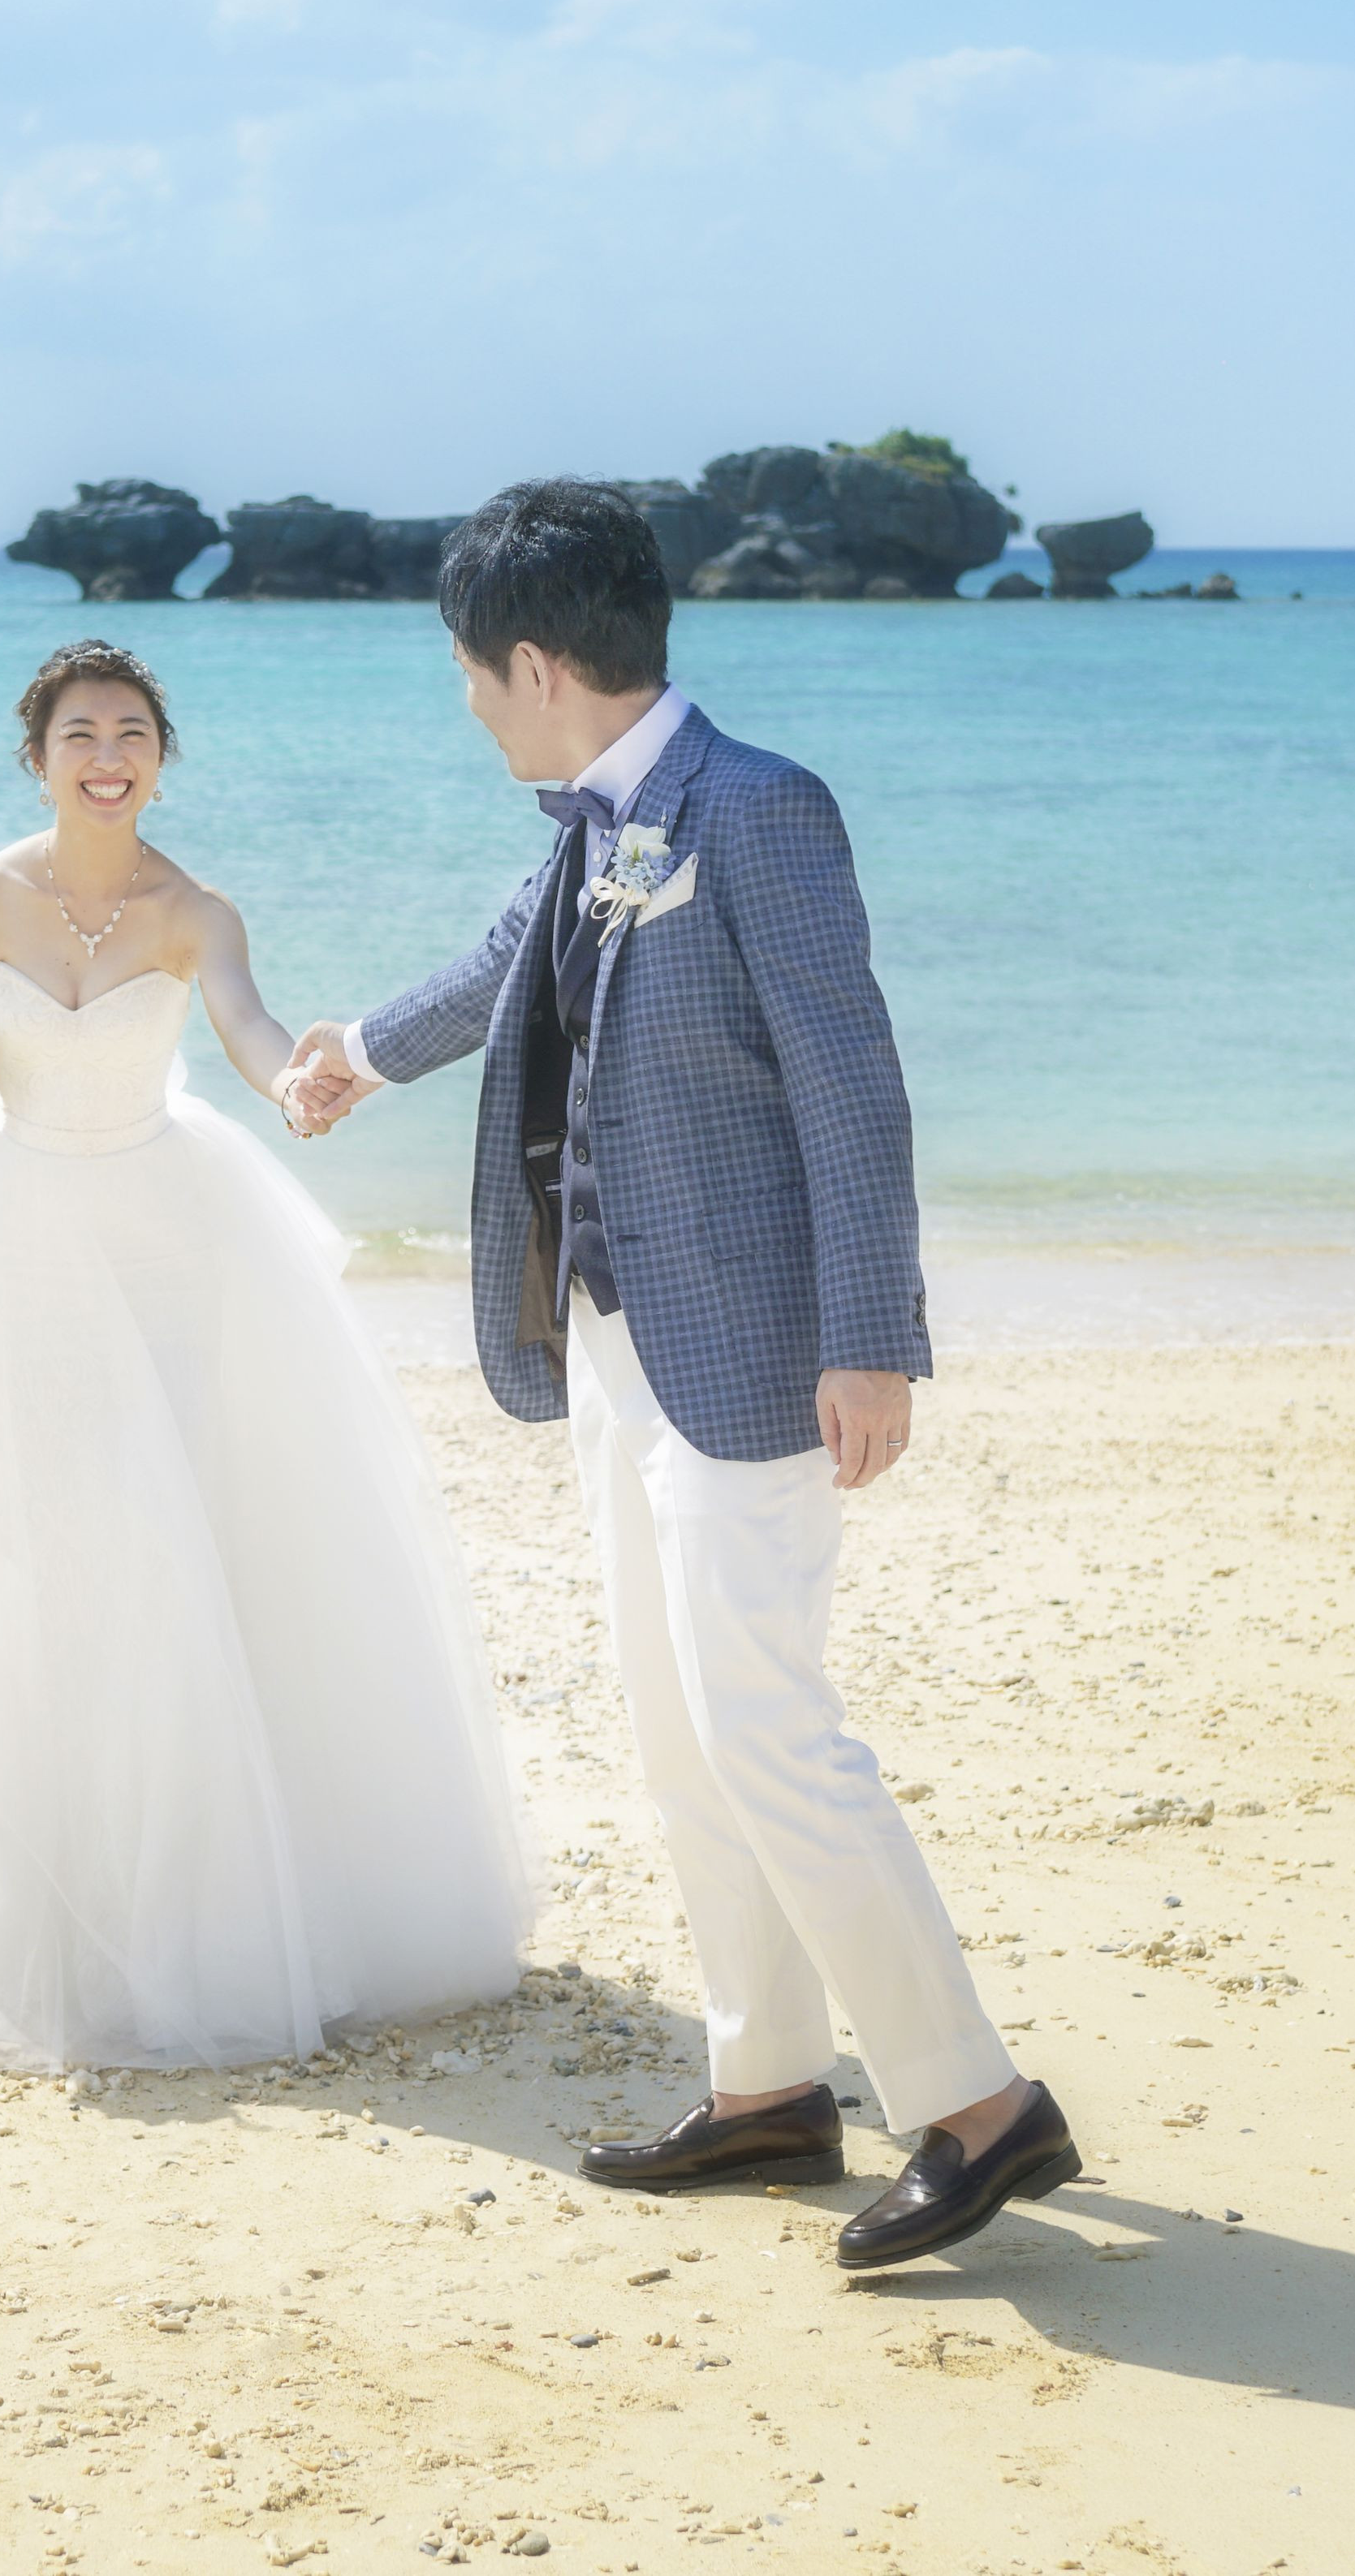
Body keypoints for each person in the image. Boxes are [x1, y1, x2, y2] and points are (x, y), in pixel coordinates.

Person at [289, 480, 1078, 2268]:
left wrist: (870, 1337)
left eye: (468, 673)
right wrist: (358, 1054)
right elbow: (505, 965)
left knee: (765, 1725)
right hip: (615, 1331)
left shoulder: (758, 806)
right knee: (675, 1727)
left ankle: (976, 2104)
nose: (466, 704)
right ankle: (767, 2085)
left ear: (537, 665)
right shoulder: (597, 820)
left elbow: (854, 1087)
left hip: (757, 1351)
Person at [0, 640, 532, 2076]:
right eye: (80, 733)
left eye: (132, 734)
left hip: (166, 1240)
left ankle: (197, 1903)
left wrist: (300, 1079)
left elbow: (248, 1027)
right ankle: (35, 1892)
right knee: (17, 1542)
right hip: (10, 1235)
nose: (106, 756)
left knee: (169, 1530)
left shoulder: (196, 908)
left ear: (161, 760)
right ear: (37, 756)